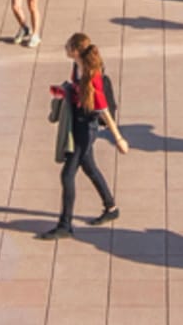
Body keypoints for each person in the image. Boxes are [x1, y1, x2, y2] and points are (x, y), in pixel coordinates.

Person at [44, 35, 129, 237]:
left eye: (68, 46)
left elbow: (104, 111)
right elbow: (75, 89)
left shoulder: (92, 78)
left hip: (86, 129)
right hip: (77, 122)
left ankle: (65, 225)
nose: (64, 48)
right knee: (90, 167)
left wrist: (118, 139)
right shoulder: (77, 66)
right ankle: (111, 207)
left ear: (75, 50)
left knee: (67, 175)